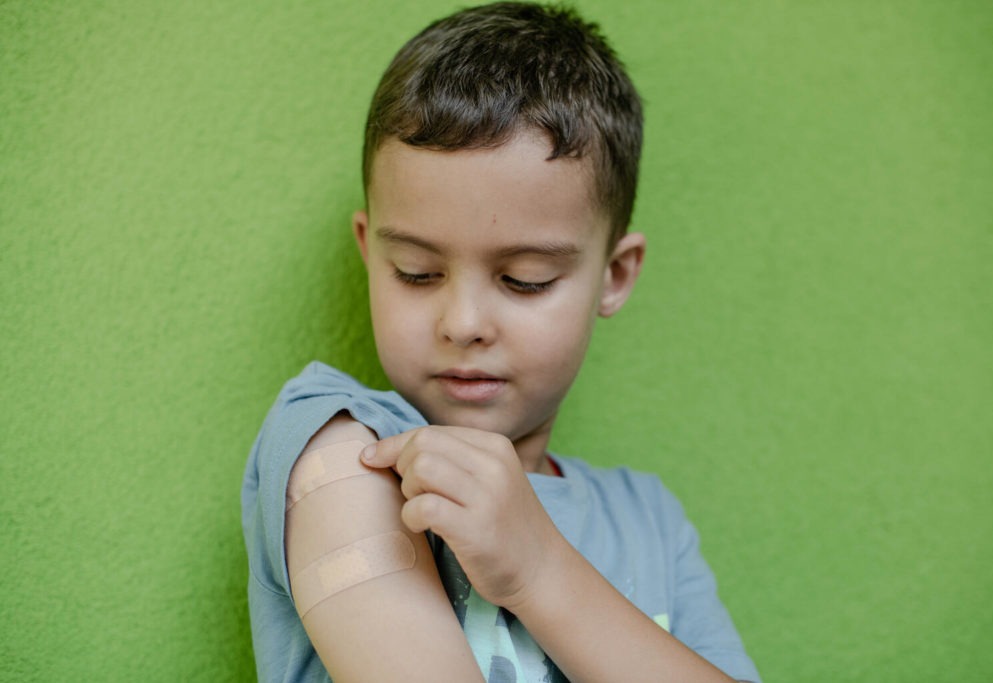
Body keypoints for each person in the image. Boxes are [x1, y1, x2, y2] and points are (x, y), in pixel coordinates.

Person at [241, 3, 761, 681]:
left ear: (614, 276)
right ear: (371, 255)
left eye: (524, 279)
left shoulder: (650, 523)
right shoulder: (343, 447)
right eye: (417, 272)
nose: (463, 322)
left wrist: (540, 568)